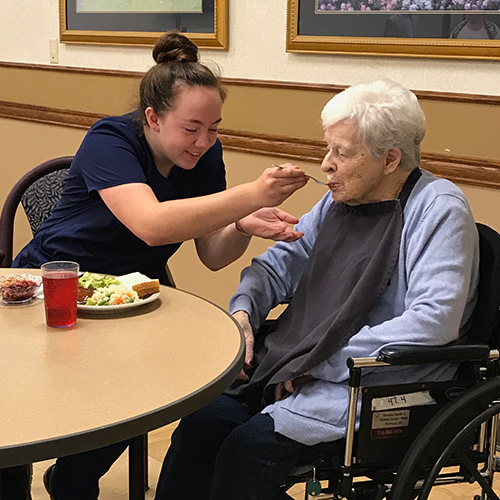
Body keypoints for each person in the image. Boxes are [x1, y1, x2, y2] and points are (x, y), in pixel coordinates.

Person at [11, 31, 309, 500]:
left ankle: (72, 479)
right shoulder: (110, 139)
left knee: (141, 393)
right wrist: (250, 195)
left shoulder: (206, 155)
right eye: (191, 128)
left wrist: (241, 224)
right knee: (21, 422)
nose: (204, 142)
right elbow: (151, 224)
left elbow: (212, 255)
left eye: (214, 129)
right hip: (52, 287)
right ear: (152, 118)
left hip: (127, 302)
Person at [153, 79, 480, 500]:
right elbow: (278, 267)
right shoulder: (337, 202)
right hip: (304, 363)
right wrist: (244, 313)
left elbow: (433, 321)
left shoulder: (438, 209)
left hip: (375, 382)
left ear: (390, 159)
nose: (326, 165)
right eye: (328, 149)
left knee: (247, 450)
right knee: (202, 424)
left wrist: (319, 361)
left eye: (342, 153)